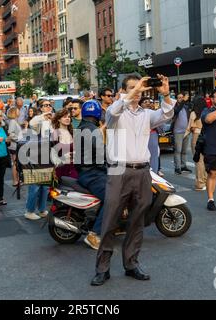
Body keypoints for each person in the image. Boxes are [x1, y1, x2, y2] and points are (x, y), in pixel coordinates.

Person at [91, 74, 175, 286]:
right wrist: (133, 90)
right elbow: (114, 109)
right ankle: (103, 268)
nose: (137, 91)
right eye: (131, 88)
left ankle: (131, 264)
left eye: (139, 88)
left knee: (137, 222)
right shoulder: (114, 112)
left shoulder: (147, 114)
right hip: (119, 171)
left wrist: (165, 94)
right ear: (122, 91)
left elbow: (166, 115)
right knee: (110, 221)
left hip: (143, 172)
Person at [75, 100, 107, 250]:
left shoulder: (82, 127)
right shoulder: (92, 130)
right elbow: (100, 150)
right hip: (92, 174)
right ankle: (94, 234)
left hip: (87, 172)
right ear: (98, 114)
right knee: (112, 199)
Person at [24, 100, 54, 221]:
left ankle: (41, 209)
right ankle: (29, 210)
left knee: (45, 186)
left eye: (49, 105)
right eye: (45, 105)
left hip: (48, 155)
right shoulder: (38, 119)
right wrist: (43, 116)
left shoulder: (52, 120)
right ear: (40, 108)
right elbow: (32, 123)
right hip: (36, 155)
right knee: (35, 185)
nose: (48, 107)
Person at [186, 96, 207, 191]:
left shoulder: (194, 113)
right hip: (207, 137)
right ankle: (206, 181)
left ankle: (200, 183)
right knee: (206, 160)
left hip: (197, 136)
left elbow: (190, 127)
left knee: (198, 160)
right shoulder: (207, 112)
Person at [51, 108, 78, 180]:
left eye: (69, 117)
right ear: (59, 119)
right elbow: (53, 159)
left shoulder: (73, 132)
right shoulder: (55, 135)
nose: (67, 119)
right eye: (64, 117)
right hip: (61, 171)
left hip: (74, 169)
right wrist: (64, 157)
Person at [171, 92, 192, 175]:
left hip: (186, 131)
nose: (180, 99)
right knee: (178, 150)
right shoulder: (175, 107)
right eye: (179, 98)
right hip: (177, 132)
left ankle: (183, 166)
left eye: (181, 97)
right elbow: (177, 111)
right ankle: (177, 167)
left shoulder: (186, 107)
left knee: (184, 151)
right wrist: (183, 101)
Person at [7, 107, 23, 187]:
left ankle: (17, 179)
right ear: (14, 112)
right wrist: (19, 139)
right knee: (15, 163)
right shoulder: (13, 121)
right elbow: (11, 133)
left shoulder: (14, 121)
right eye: (17, 110)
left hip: (15, 145)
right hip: (14, 146)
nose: (19, 111)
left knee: (16, 163)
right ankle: (15, 181)